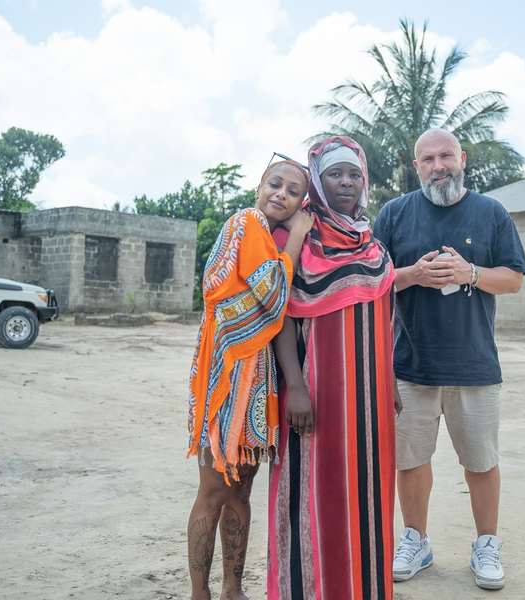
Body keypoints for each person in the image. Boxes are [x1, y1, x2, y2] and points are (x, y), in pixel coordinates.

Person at [372, 128, 525, 591]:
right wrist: (413, 273)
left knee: (480, 462)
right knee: (410, 459)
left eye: (446, 156)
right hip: (410, 365)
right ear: (416, 166)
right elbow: (372, 279)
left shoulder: (491, 213)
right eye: (428, 159)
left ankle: (486, 546)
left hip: (475, 366)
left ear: (462, 159)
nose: (439, 165)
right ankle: (416, 540)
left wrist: (472, 272)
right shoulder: (394, 214)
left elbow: (514, 279)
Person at [267, 136, 400, 600]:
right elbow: (280, 311)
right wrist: (295, 386)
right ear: (318, 184)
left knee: (367, 494)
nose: (345, 182)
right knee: (312, 495)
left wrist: (391, 381)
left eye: (353, 174)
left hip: (371, 398)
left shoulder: (373, 244)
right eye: (334, 174)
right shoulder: (297, 237)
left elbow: (383, 316)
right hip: (317, 392)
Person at [186, 159, 314, 600]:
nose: (281, 193)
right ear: (259, 186)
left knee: (241, 486)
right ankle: (200, 594)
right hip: (229, 377)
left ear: (302, 199)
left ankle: (232, 590)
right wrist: (297, 235)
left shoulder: (257, 230)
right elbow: (274, 292)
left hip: (255, 381)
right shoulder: (247, 224)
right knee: (215, 488)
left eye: (293, 191)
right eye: (275, 184)